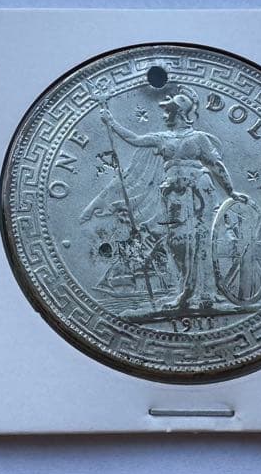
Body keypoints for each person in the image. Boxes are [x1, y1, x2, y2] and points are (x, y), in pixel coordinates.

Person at [100, 86, 245, 312]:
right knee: (177, 242)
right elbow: (135, 139)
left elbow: (216, 165)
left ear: (181, 112)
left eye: (169, 110)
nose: (165, 114)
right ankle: (186, 291)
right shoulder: (162, 138)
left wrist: (230, 191)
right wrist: (111, 123)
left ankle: (204, 294)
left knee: (201, 241)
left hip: (199, 191)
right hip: (174, 195)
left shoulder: (199, 138)